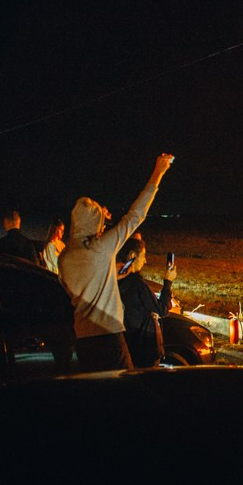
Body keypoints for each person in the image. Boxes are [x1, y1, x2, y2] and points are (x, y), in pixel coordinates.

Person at [59, 154, 174, 373]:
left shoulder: (64, 256)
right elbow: (135, 216)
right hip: (108, 335)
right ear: (94, 224)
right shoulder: (100, 248)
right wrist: (157, 173)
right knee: (123, 386)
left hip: (82, 338)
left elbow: (82, 283)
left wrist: (112, 273)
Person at [115, 236, 175, 368]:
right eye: (143, 256)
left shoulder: (115, 280)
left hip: (129, 345)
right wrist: (168, 282)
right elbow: (162, 309)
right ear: (132, 256)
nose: (145, 260)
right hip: (145, 349)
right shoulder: (137, 285)